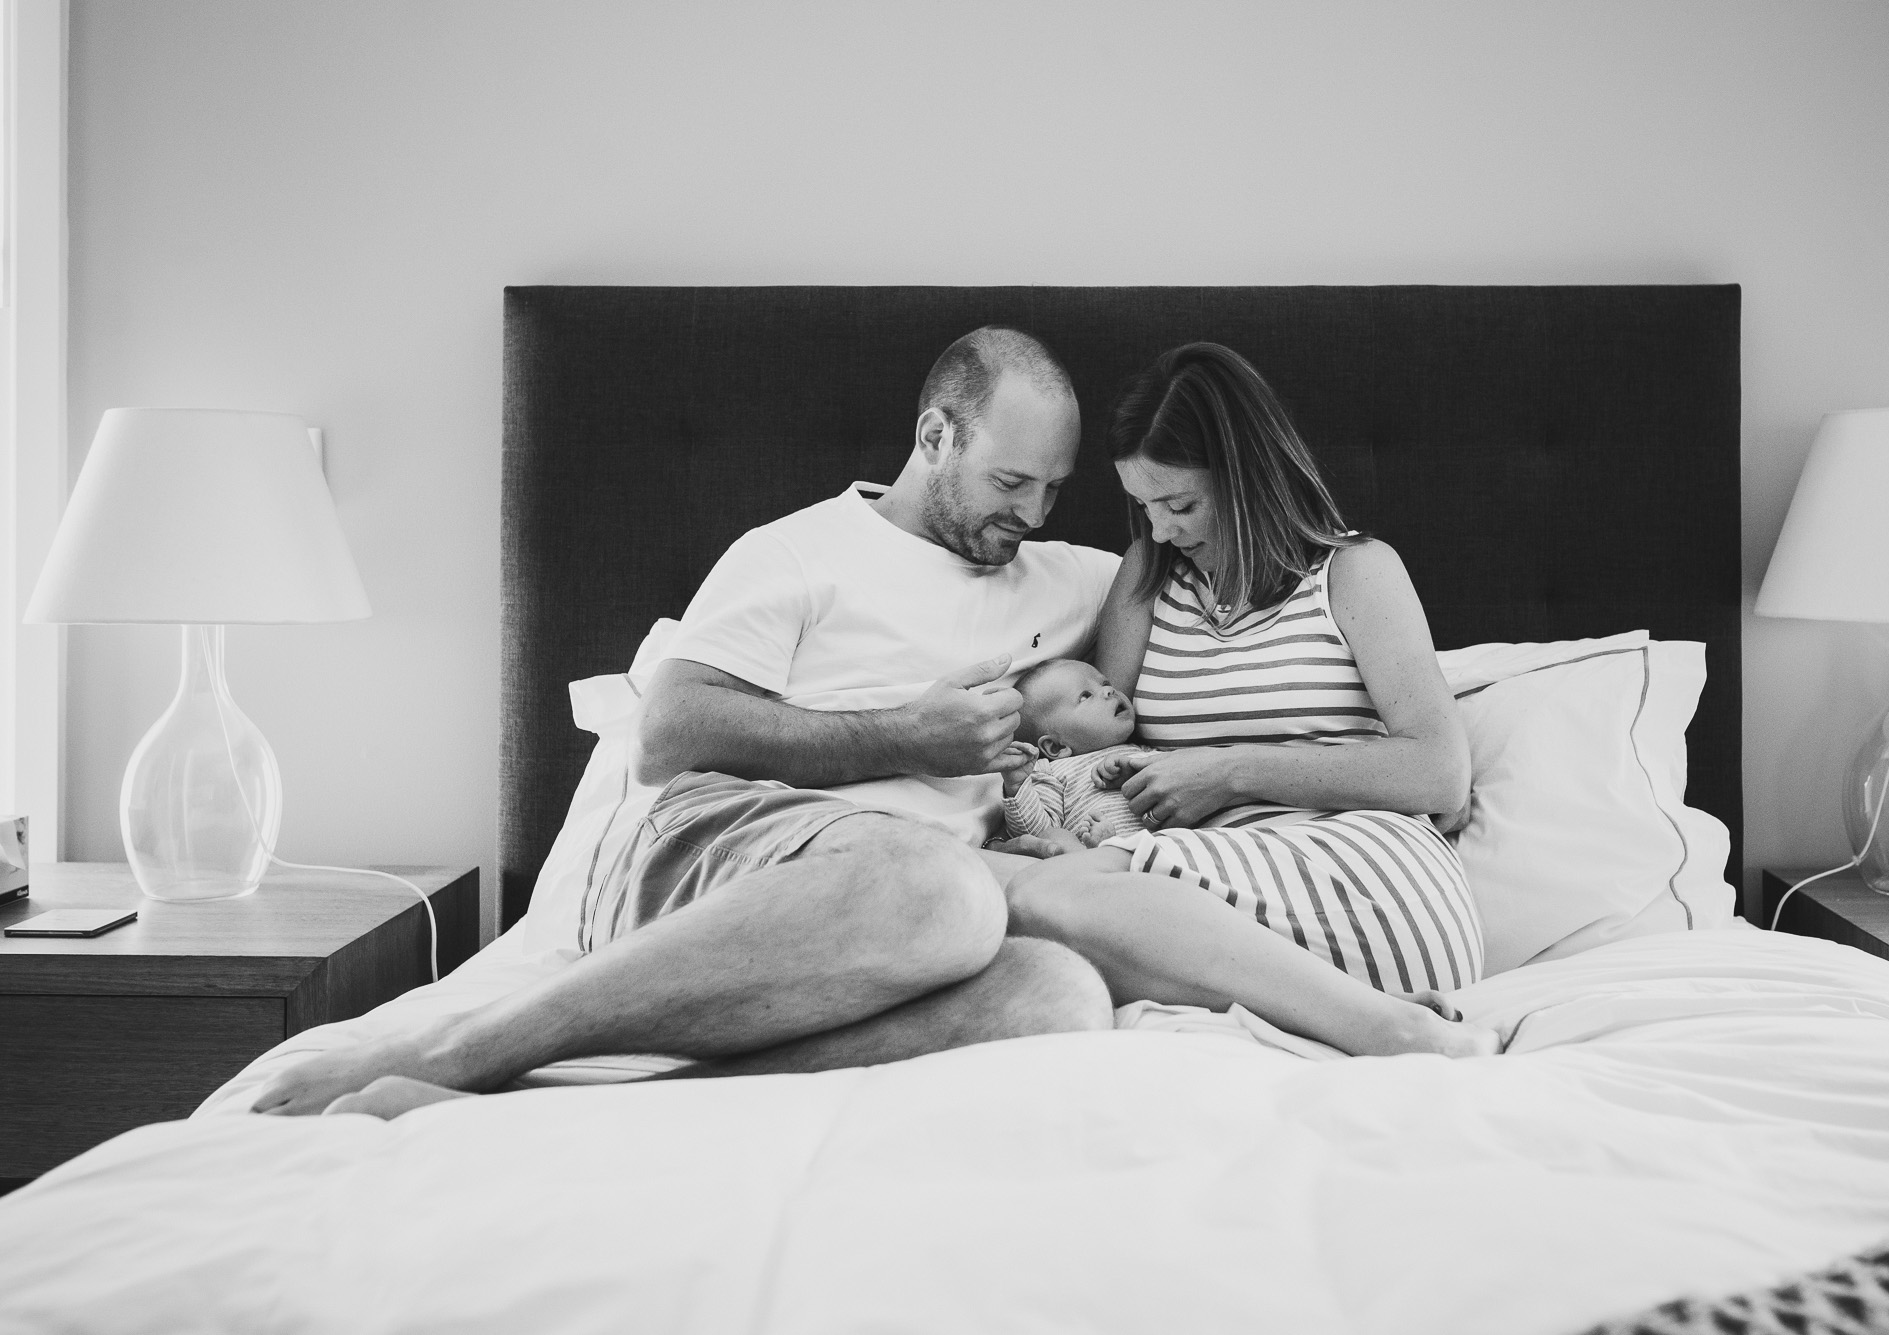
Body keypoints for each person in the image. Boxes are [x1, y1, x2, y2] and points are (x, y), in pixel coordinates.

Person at [252, 325, 1127, 1119]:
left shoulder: (1066, 576)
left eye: (1055, 488)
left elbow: (1217, 566)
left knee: (1061, 996)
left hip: (907, 917)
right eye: (1010, 482)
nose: (1035, 514)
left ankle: (564, 1111)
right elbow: (669, 730)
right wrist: (906, 734)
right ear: (936, 437)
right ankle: (458, 1049)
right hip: (723, 842)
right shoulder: (796, 553)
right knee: (947, 889)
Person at [1001, 342, 1497, 1056]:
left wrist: (1228, 771)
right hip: (1209, 896)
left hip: (1363, 877)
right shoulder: (1149, 573)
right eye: (1143, 506)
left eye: (1180, 503)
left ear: (1247, 477)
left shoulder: (1357, 573)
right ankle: (1366, 1015)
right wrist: (1056, 810)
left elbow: (1440, 772)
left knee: (1042, 900)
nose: (1162, 528)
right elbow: (1101, 740)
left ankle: (1392, 1029)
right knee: (1013, 894)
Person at [998, 658, 1158, 851]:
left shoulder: (1145, 752)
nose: (1109, 691)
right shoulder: (1051, 772)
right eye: (1085, 696)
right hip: (1103, 865)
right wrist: (1017, 786)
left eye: (1105, 683)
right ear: (1056, 747)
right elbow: (1038, 832)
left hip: (1167, 850)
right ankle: (1107, 846)